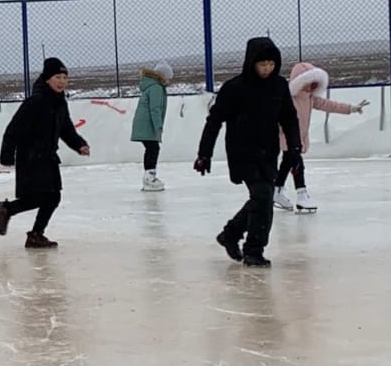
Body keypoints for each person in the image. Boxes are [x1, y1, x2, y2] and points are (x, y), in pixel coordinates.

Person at [194, 37, 301, 268]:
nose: (267, 68)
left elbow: (289, 118)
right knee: (263, 196)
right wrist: (204, 154)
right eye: (262, 64)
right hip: (242, 151)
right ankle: (253, 250)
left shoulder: (279, 86)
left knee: (262, 196)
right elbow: (214, 121)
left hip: (268, 151)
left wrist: (294, 147)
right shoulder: (234, 88)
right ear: (251, 62)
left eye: (271, 64)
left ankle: (231, 234)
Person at [0, 57, 90, 249]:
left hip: (48, 156)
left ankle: (34, 233)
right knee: (41, 197)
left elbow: (66, 129)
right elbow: (13, 128)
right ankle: (7, 210)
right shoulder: (36, 101)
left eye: (64, 77)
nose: (62, 81)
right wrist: (6, 155)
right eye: (57, 77)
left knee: (53, 197)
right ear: (47, 79)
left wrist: (79, 144)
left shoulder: (60, 102)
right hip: (31, 156)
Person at [275, 62, 368, 213]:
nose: (310, 86)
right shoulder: (289, 98)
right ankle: (302, 194)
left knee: (287, 163)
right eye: (307, 82)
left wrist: (351, 108)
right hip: (288, 137)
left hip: (299, 137)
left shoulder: (311, 98)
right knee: (297, 164)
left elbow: (329, 105)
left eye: (314, 83)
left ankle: (277, 190)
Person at [130, 61, 174, 191]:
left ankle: (149, 176)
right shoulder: (156, 88)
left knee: (152, 148)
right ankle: (149, 177)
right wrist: (158, 126)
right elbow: (155, 109)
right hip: (147, 124)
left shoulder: (152, 86)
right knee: (153, 148)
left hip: (145, 123)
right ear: (162, 75)